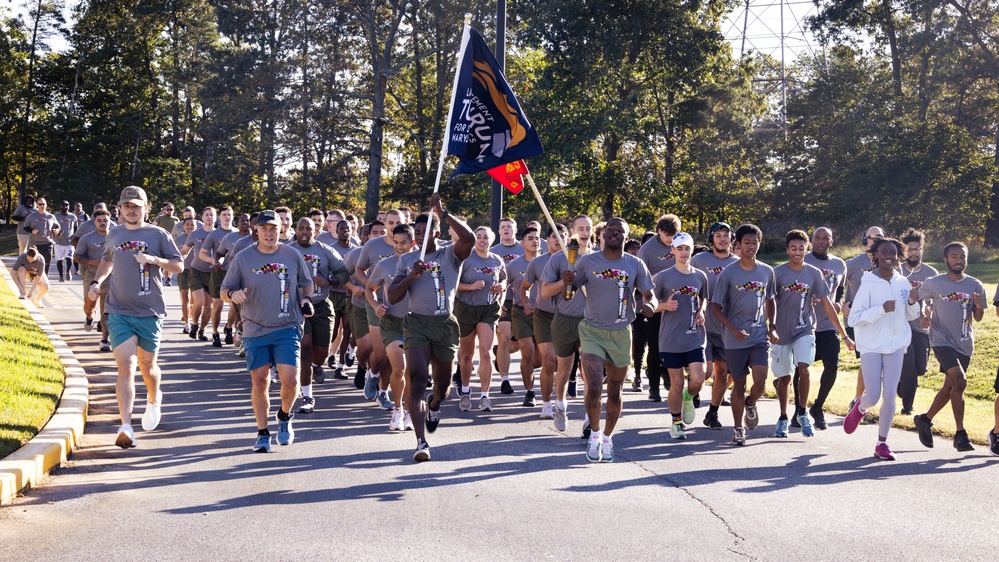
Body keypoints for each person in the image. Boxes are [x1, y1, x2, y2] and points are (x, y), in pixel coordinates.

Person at [89, 186, 184, 448]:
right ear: (119, 208)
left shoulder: (159, 234)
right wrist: (97, 282)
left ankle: (153, 399)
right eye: (126, 206)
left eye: (136, 206)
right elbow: (108, 260)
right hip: (119, 310)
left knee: (147, 366)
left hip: (150, 311)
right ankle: (126, 426)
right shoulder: (115, 233)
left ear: (146, 208)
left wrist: (155, 259)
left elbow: (179, 265)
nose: (131, 210)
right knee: (127, 366)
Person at [387, 195, 474, 462]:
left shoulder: (451, 253)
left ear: (437, 233)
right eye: (419, 233)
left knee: (442, 386)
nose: (424, 237)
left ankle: (434, 405)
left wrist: (443, 212)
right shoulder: (407, 260)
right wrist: (411, 276)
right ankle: (420, 442)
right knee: (417, 381)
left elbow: (469, 239)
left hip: (445, 324)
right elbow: (392, 297)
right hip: (416, 324)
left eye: (428, 232)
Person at [221, 210, 315, 453]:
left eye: (274, 228)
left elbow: (307, 284)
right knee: (260, 380)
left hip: (287, 326)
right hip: (255, 327)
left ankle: (284, 416)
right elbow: (225, 290)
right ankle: (262, 433)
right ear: (256, 230)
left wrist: (306, 300)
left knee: (291, 380)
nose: (269, 233)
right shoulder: (243, 258)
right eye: (264, 229)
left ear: (281, 229)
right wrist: (233, 294)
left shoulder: (292, 254)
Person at [563, 218, 655, 462]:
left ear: (626, 236)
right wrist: (568, 281)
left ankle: (607, 437)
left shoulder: (635, 264)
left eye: (620, 231)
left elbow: (650, 295)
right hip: (592, 330)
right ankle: (593, 435)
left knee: (615, 391)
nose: (614, 233)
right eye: (610, 230)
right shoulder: (587, 261)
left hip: (622, 332)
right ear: (602, 235)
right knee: (593, 386)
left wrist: (651, 306)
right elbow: (569, 293)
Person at [770, 230, 853, 438]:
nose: (797, 252)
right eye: (793, 248)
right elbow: (769, 302)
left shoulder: (814, 273)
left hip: (805, 329)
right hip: (781, 332)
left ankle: (803, 412)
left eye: (801, 248)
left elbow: (827, 304)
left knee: (804, 368)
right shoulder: (777, 273)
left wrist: (843, 335)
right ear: (787, 249)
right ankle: (782, 417)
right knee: (784, 378)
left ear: (806, 249)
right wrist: (770, 326)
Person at [843, 237, 920, 460]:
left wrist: (914, 303)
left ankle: (881, 443)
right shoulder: (867, 284)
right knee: (874, 395)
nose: (889, 256)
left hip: (896, 344)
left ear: (898, 255)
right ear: (875, 255)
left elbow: (910, 315)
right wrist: (880, 310)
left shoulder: (902, 283)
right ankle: (860, 407)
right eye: (884, 252)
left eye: (893, 252)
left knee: (889, 395)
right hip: (871, 345)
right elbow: (853, 319)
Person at [913, 242, 986, 452]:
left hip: (964, 342)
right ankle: (961, 434)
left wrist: (979, 306)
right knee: (960, 380)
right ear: (946, 259)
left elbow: (978, 318)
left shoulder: (975, 284)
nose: (958, 260)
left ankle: (925, 419)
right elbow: (917, 298)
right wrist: (923, 316)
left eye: (962, 257)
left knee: (951, 386)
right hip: (941, 340)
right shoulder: (934, 282)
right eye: (954, 256)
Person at [711, 224, 777, 447]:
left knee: (761, 382)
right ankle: (738, 429)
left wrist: (773, 326)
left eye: (755, 242)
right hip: (735, 339)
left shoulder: (767, 271)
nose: (751, 246)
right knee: (738, 383)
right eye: (746, 242)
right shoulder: (729, 272)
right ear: (737, 245)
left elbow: (771, 300)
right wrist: (732, 329)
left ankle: (751, 403)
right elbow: (715, 308)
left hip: (759, 336)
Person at [541, 216, 594, 435]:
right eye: (580, 228)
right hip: (564, 320)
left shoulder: (599, 258)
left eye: (588, 228)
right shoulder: (558, 259)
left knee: (590, 371)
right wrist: (564, 281)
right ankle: (560, 406)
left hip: (591, 322)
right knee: (562, 369)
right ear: (572, 231)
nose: (584, 232)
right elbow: (544, 292)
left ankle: (589, 418)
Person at [290, 217, 350, 413]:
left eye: (309, 228)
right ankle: (307, 397)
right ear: (295, 230)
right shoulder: (288, 251)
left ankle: (317, 365)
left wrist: (330, 281)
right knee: (305, 348)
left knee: (321, 353)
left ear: (315, 230)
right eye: (301, 228)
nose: (305, 231)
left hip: (322, 305)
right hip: (297, 307)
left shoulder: (325, 250)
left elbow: (344, 273)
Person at [653, 232, 707, 440]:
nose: (684, 252)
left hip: (694, 336)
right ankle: (676, 422)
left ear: (692, 250)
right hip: (671, 339)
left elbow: (704, 299)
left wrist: (701, 311)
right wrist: (665, 305)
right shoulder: (664, 277)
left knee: (699, 379)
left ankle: (689, 397)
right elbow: (648, 305)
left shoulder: (700, 276)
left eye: (687, 248)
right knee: (676, 383)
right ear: (672, 251)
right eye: (680, 248)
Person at [366, 224, 416, 430]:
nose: (399, 247)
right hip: (392, 322)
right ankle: (397, 409)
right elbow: (370, 288)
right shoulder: (385, 265)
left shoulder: (422, 263)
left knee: (412, 372)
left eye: (404, 242)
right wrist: (376, 306)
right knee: (399, 367)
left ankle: (410, 412)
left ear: (413, 243)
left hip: (417, 323)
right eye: (396, 242)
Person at [690, 222, 738, 430]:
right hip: (704, 325)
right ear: (711, 239)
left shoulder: (738, 262)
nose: (722, 239)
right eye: (718, 235)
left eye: (726, 235)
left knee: (724, 373)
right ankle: (689, 393)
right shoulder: (699, 260)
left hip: (727, 327)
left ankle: (713, 412)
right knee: (706, 372)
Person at [455, 226, 507, 412]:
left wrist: (500, 288)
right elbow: (453, 283)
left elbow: (503, 279)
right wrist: (471, 287)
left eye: (486, 237)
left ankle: (485, 396)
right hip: (466, 309)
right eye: (478, 237)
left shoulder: (497, 260)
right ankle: (466, 391)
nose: (482, 240)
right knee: (467, 354)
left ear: (492, 240)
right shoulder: (466, 259)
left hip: (488, 309)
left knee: (485, 352)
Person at [801, 227, 848, 429]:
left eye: (825, 238)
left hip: (829, 325)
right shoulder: (804, 260)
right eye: (817, 238)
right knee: (801, 369)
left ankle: (818, 407)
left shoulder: (839, 264)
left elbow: (841, 289)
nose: (821, 241)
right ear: (812, 241)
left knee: (832, 365)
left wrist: (838, 302)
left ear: (831, 241)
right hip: (805, 324)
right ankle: (799, 411)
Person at [356, 211, 403, 406]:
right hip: (376, 304)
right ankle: (373, 374)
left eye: (398, 222)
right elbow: (358, 269)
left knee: (394, 356)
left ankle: (384, 392)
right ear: (384, 222)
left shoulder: (411, 246)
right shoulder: (372, 245)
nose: (394, 226)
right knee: (381, 352)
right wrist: (372, 287)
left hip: (400, 307)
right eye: (390, 222)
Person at [522, 225, 567, 421]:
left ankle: (560, 401)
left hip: (566, 317)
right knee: (548, 360)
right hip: (543, 316)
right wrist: (527, 302)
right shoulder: (537, 262)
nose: (558, 240)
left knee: (562, 364)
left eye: (562, 237)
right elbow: (525, 287)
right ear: (546, 241)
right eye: (554, 237)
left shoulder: (576, 260)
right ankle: (546, 403)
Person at [637, 214, 681, 401]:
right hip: (654, 305)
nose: (671, 239)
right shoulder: (647, 250)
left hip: (676, 305)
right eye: (667, 235)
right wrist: (658, 277)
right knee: (654, 348)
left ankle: (669, 375)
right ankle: (653, 388)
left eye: (674, 235)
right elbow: (639, 278)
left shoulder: (680, 243)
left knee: (673, 347)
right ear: (659, 231)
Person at [843, 226, 885, 414]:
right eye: (871, 237)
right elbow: (837, 287)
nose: (875, 240)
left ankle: (860, 402)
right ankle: (859, 401)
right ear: (864, 240)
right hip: (859, 319)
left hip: (881, 318)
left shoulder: (888, 262)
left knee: (875, 361)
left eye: (879, 237)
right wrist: (842, 303)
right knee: (868, 360)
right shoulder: (852, 264)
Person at [897, 228, 937, 415]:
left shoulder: (931, 273)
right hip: (901, 326)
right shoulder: (898, 270)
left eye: (916, 249)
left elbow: (934, 300)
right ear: (904, 251)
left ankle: (900, 383)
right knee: (908, 366)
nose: (913, 252)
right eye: (909, 249)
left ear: (922, 250)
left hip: (921, 327)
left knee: (920, 368)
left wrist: (928, 315)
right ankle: (907, 407)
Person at [507, 227, 543, 410]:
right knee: (527, 351)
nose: (535, 241)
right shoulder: (513, 265)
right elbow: (501, 284)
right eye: (530, 238)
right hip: (521, 312)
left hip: (543, 313)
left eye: (537, 238)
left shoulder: (548, 262)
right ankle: (529, 392)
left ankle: (506, 347)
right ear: (522, 243)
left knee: (540, 360)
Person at [491, 217, 524, 396]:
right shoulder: (494, 251)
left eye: (509, 226)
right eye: (502, 226)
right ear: (498, 231)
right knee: (503, 338)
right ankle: (505, 380)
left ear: (515, 229)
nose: (506, 229)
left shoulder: (523, 248)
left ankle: (498, 352)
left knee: (517, 344)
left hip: (523, 301)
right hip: (504, 300)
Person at [199, 206, 238, 347]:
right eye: (224, 214)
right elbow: (202, 253)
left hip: (234, 273)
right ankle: (215, 333)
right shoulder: (214, 235)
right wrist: (214, 262)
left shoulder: (239, 234)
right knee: (218, 305)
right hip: (218, 273)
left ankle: (228, 327)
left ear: (233, 216)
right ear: (219, 217)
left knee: (235, 305)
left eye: (229, 214)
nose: (227, 217)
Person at [75, 209, 112, 349]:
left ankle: (104, 339)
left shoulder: (115, 237)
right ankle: (90, 317)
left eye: (105, 220)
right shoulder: (87, 238)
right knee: (89, 306)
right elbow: (77, 257)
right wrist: (91, 261)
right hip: (91, 275)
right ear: (94, 222)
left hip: (109, 277)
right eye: (99, 221)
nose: (102, 223)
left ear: (110, 221)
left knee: (106, 307)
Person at [183, 207, 218, 341]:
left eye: (212, 215)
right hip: (196, 271)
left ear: (215, 218)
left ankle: (202, 330)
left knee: (209, 305)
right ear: (202, 218)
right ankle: (194, 324)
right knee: (199, 301)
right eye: (207, 215)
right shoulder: (195, 234)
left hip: (212, 273)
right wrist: (174, 260)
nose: (209, 217)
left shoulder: (220, 234)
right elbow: (185, 250)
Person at [22, 197, 59, 276]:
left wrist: (56, 230)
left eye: (43, 204)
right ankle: (33, 277)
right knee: (33, 262)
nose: (42, 206)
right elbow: (25, 227)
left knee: (46, 263)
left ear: (46, 205)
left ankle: (44, 278)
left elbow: (57, 226)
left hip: (47, 243)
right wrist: (32, 231)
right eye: (40, 204)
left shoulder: (51, 217)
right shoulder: (32, 216)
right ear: (37, 205)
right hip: (34, 244)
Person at [175, 217, 198, 334]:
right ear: (183, 226)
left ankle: (194, 321)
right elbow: (172, 255)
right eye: (187, 225)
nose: (190, 227)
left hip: (197, 270)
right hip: (183, 270)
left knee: (195, 299)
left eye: (192, 225)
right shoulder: (178, 239)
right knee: (185, 296)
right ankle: (186, 324)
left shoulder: (199, 237)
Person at [53, 200, 79, 282]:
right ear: (60, 206)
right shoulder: (56, 216)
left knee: (69, 259)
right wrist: (56, 232)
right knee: (59, 260)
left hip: (69, 242)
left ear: (69, 206)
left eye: (66, 205)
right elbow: (52, 227)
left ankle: (68, 271)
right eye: (63, 205)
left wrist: (74, 237)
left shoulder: (73, 216)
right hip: (58, 242)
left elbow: (76, 228)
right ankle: (61, 276)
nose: (65, 207)